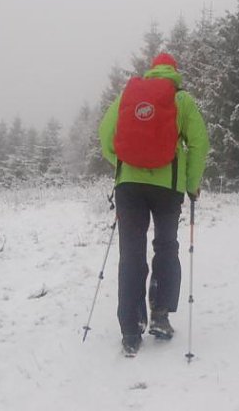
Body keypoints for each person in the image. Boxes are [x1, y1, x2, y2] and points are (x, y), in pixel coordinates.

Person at [98, 52, 209, 356]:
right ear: (174, 72)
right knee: (166, 246)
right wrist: (191, 184)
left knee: (131, 254)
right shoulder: (181, 99)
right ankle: (160, 315)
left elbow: (105, 136)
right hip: (167, 188)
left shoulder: (128, 95)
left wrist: (124, 164)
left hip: (129, 187)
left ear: (151, 72)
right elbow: (200, 142)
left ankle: (130, 331)